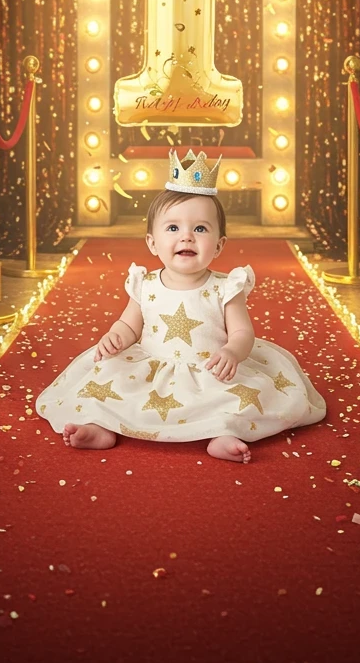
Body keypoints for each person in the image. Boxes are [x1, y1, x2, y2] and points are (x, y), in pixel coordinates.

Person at [35, 149, 327, 463]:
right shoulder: (144, 284)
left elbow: (243, 332)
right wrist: (115, 336)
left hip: (210, 370)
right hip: (152, 367)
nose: (186, 237)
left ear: (218, 245)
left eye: (200, 229)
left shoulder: (226, 287)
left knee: (236, 398)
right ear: (152, 242)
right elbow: (129, 325)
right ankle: (101, 426)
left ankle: (225, 432)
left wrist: (232, 352)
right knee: (106, 383)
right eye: (173, 228)